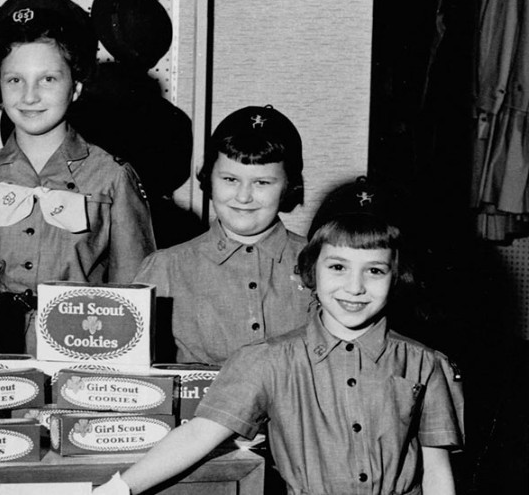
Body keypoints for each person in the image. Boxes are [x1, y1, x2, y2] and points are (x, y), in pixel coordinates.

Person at [94, 178, 464, 495]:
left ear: (397, 276)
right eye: (338, 266)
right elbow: (197, 435)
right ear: (310, 268)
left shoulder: (426, 364)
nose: (355, 287)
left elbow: (436, 471)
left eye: (375, 271)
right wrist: (116, 490)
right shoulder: (266, 361)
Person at [0, 0, 156, 354]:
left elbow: (135, 295)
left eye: (48, 79)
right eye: (15, 80)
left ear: (76, 86)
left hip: (83, 354)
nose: (30, 96)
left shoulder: (112, 179)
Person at [134, 105, 309, 364]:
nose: (243, 196)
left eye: (262, 182)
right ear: (209, 178)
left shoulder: (321, 261)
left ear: (288, 186)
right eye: (230, 179)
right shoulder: (166, 268)